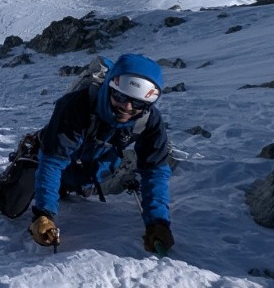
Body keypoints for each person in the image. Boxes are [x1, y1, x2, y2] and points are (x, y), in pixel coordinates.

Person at [27, 52, 174, 253]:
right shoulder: (76, 105)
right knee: (13, 199)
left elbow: (155, 170)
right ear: (109, 88)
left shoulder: (149, 121)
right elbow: (53, 161)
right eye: (120, 96)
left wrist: (158, 222)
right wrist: (44, 213)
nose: (127, 107)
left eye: (138, 103)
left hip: (95, 170)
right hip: (57, 159)